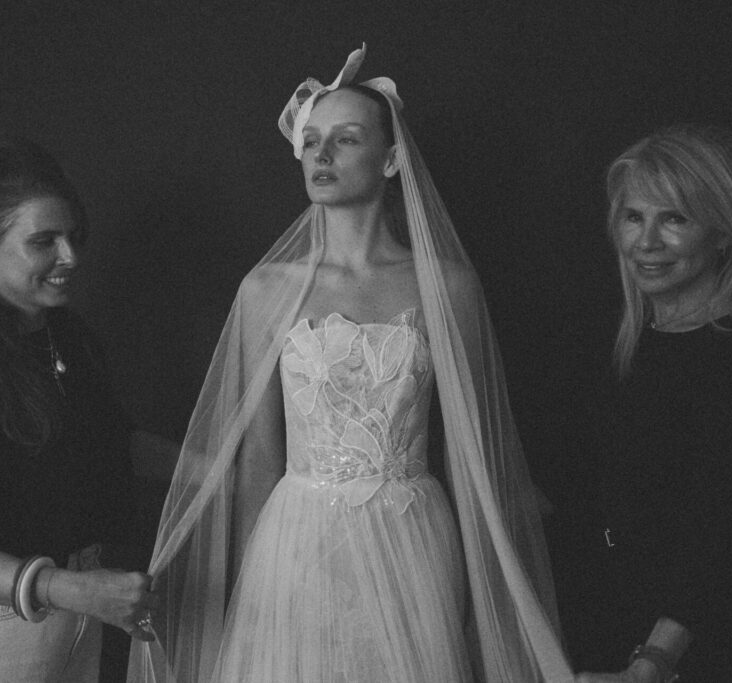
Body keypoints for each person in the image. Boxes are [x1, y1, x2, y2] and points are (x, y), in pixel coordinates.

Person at [128, 45, 573, 682]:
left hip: (412, 536)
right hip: (298, 538)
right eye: (311, 141)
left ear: (391, 159)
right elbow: (260, 458)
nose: (322, 155)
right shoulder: (267, 291)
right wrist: (251, 594)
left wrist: (489, 597)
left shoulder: (445, 286)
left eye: (346, 138)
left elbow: (472, 453)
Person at [567, 126, 732, 682]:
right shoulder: (639, 344)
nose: (647, 242)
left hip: (704, 652)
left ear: (724, 236)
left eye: (675, 219)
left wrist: (656, 658)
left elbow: (724, 530)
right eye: (634, 217)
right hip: (627, 630)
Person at [0, 132, 160, 682]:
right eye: (43, 241)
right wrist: (70, 588)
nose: (70, 257)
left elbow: (116, 442)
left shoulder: (69, 340)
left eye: (73, 236)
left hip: (75, 621)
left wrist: (226, 472)